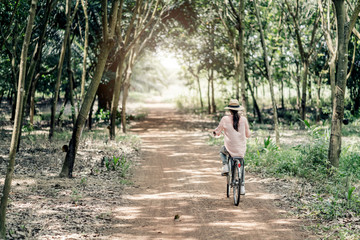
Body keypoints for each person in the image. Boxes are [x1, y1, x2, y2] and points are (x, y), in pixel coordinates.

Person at [213, 99, 251, 195]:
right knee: (241, 165)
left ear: (229, 110)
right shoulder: (244, 119)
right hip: (240, 149)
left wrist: (216, 133)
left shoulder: (225, 119)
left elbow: (218, 131)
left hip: (229, 148)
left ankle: (225, 165)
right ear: (238, 109)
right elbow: (248, 135)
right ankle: (242, 186)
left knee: (222, 151)